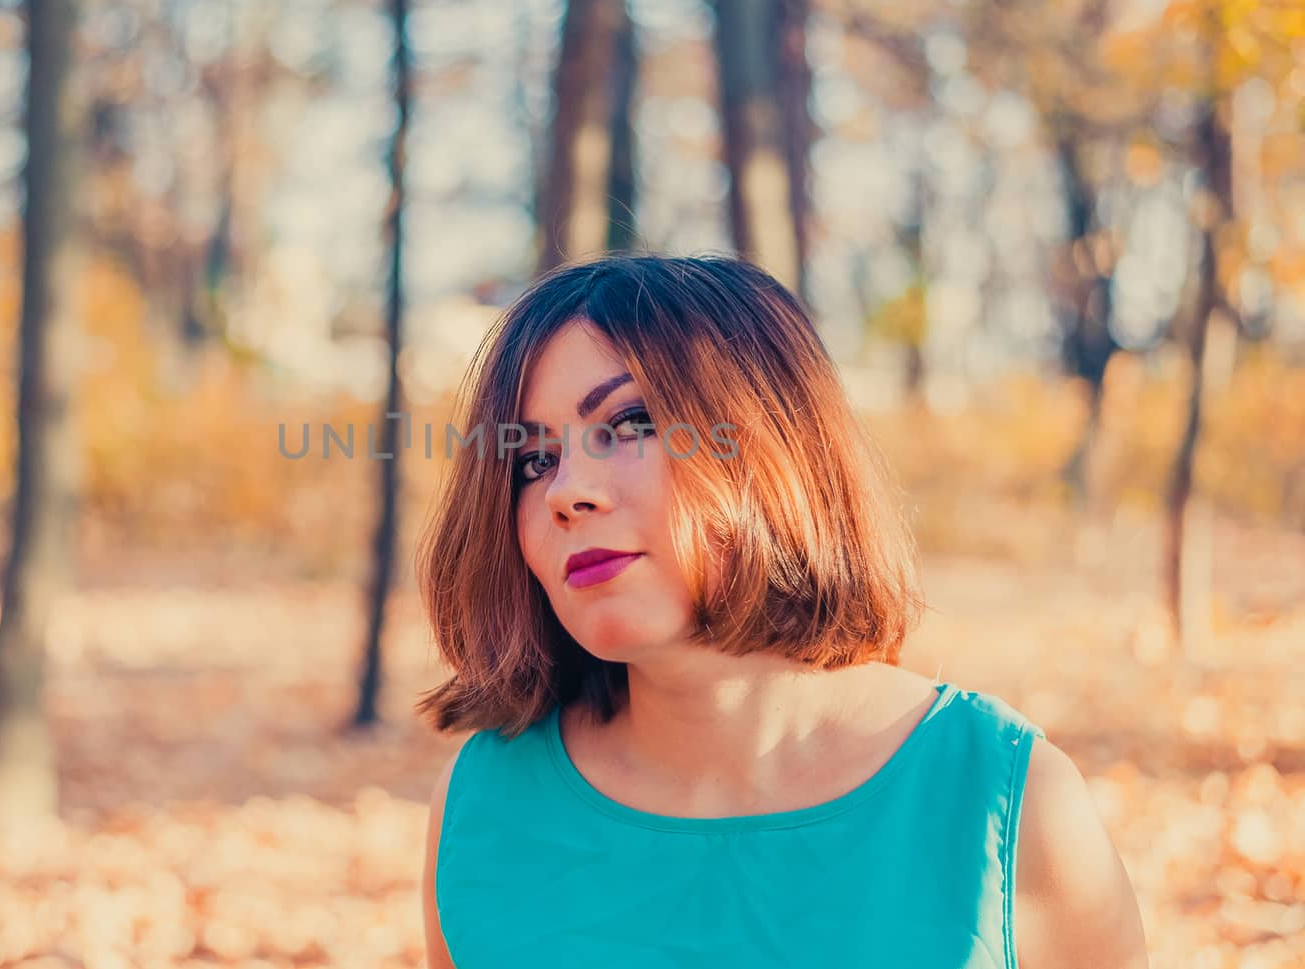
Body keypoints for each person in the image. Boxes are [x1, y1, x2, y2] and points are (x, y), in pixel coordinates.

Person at [413, 255, 1148, 968]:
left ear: (775, 447)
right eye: (534, 460)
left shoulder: (1005, 801)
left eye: (631, 422)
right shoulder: (484, 809)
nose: (566, 490)